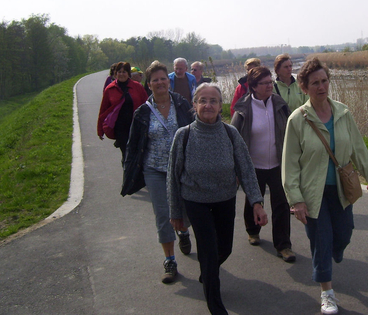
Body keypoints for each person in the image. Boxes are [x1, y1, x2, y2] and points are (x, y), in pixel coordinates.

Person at [282, 57, 368, 315]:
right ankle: (327, 292)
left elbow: (357, 146)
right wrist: (296, 199)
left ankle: (336, 251)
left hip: (340, 190)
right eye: (315, 83)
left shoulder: (343, 113)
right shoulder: (297, 120)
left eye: (324, 81)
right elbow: (290, 164)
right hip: (312, 193)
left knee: (344, 232)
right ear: (304, 87)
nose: (321, 87)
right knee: (321, 240)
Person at [168, 83, 268, 315]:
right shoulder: (183, 136)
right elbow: (173, 178)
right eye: (202, 100)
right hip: (195, 200)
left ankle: (208, 271)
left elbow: (246, 168)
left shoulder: (230, 133)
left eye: (213, 100)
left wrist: (257, 202)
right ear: (194, 105)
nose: (208, 105)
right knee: (209, 251)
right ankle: (216, 306)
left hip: (224, 198)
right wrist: (175, 212)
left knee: (225, 248)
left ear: (220, 105)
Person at [123, 61, 193, 284]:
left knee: (184, 212)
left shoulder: (182, 105)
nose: (160, 82)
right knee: (163, 215)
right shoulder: (142, 112)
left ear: (168, 81)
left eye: (164, 78)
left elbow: (196, 132)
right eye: (155, 80)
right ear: (149, 84)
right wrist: (130, 170)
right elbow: (133, 145)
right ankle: (170, 260)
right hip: (154, 170)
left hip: (181, 170)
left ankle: (183, 231)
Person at [231, 66, 295, 262]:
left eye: (270, 82)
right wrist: (235, 168)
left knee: (282, 205)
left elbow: (292, 129)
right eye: (265, 83)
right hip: (253, 166)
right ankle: (253, 230)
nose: (270, 86)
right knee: (253, 201)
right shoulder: (243, 108)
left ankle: (283, 245)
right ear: (253, 87)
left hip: (278, 164)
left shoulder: (279, 104)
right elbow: (233, 137)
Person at [98, 61, 147, 160]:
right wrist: (100, 130)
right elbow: (104, 110)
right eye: (119, 72)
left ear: (128, 74)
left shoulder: (137, 87)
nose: (121, 74)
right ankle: (128, 174)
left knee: (138, 153)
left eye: (124, 72)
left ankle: (135, 173)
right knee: (126, 154)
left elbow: (146, 104)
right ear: (115, 74)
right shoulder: (110, 89)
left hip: (136, 126)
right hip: (120, 128)